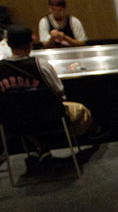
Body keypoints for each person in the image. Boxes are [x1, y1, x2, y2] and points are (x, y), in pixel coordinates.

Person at [0, 25, 100, 165]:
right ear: (31, 44)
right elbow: (59, 91)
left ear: (9, 44)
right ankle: (95, 134)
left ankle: (40, 146)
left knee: (18, 112)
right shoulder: (40, 65)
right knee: (81, 109)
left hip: (15, 123)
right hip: (52, 118)